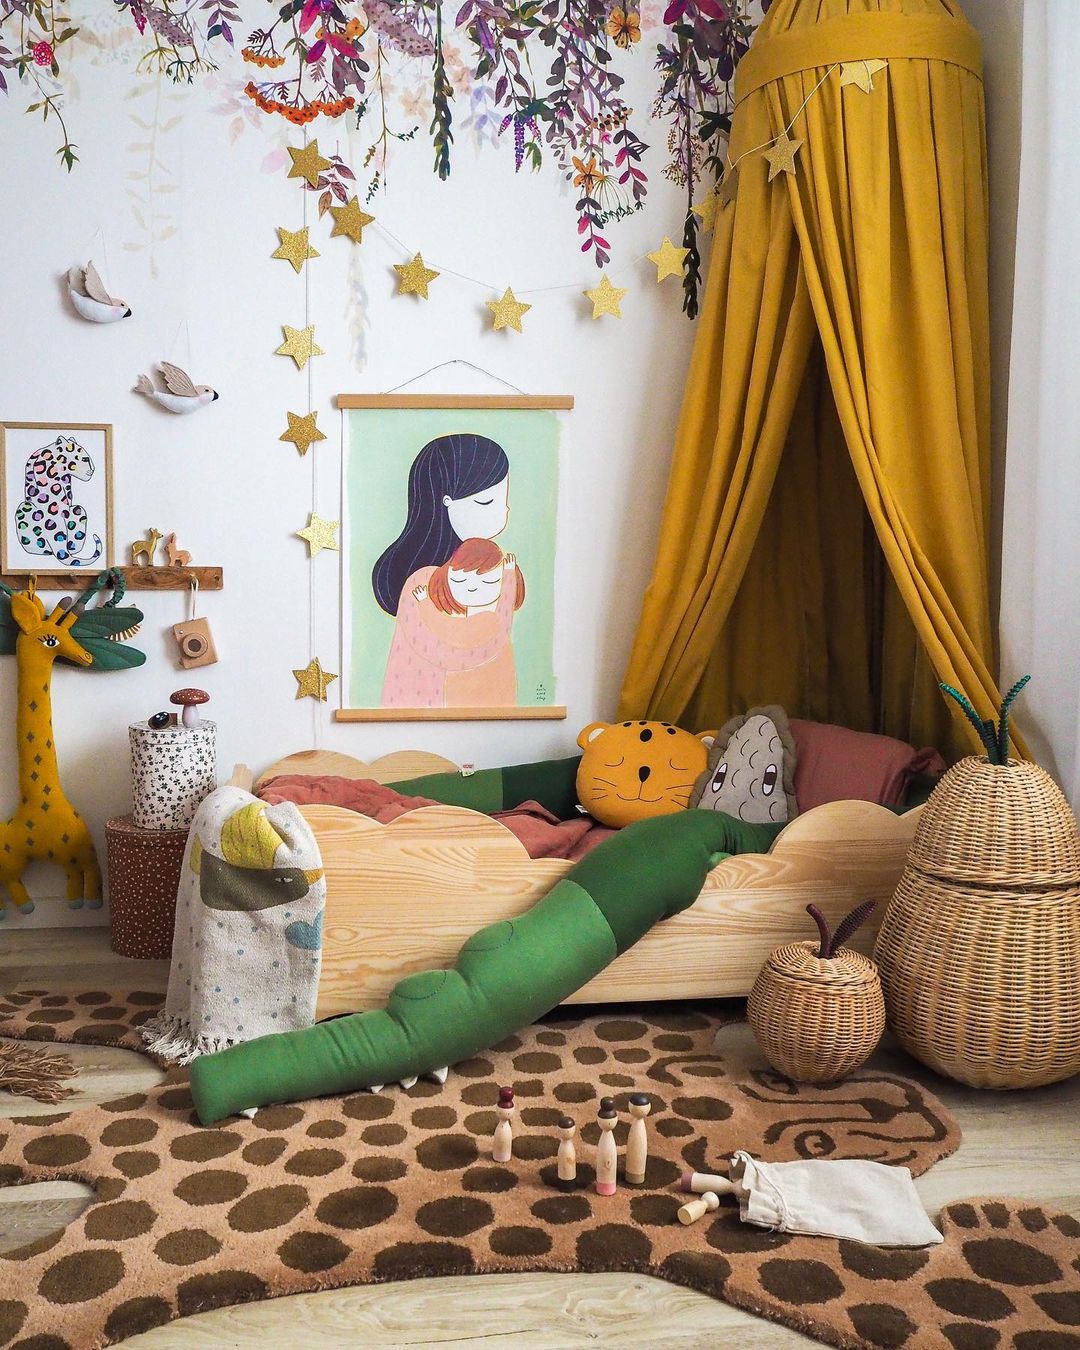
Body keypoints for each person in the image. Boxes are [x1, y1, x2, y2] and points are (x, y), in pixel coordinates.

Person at [371, 433, 510, 616]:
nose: (505, 509)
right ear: (446, 501)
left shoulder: (478, 559)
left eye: (504, 499)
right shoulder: (429, 577)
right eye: (486, 501)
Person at [380, 540, 524, 708]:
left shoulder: (489, 621)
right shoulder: (476, 620)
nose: (472, 588)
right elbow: (441, 625)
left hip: (485, 697)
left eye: (489, 582)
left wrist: (424, 603)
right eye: (459, 580)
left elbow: (503, 611)